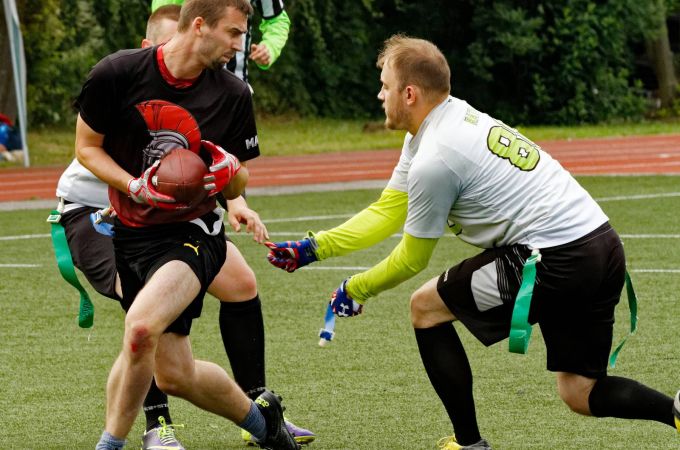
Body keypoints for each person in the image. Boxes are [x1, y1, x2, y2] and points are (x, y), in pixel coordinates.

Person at [265, 35, 680, 449]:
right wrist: (313, 249)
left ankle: (469, 444)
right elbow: (386, 210)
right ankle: (677, 413)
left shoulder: (435, 158)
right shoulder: (442, 123)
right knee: (580, 392)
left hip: (556, 258)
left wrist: (356, 288)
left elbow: (412, 259)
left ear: (409, 94)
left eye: (385, 86)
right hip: (601, 244)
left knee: (425, 308)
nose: (380, 94)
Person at [55, 5, 313, 448]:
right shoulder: (115, 73)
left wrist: (230, 175)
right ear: (199, 25)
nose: (238, 45)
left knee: (139, 329)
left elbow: (240, 179)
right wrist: (135, 186)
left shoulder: (234, 94)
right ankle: (262, 423)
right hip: (130, 231)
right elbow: (86, 148)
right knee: (175, 373)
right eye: (233, 33)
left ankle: (113, 443)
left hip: (194, 232)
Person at [150, 0, 290, 86]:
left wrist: (270, 47)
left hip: (234, 79)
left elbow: (277, 20)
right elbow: (163, 19)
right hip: (183, 81)